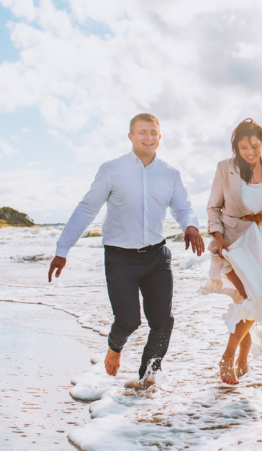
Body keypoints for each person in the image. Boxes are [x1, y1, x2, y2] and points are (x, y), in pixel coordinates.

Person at [47, 113, 204, 386]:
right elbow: (87, 209)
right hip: (120, 258)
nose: (149, 137)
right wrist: (63, 250)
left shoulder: (170, 174)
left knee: (163, 322)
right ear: (131, 137)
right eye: (142, 132)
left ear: (160, 137)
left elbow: (183, 208)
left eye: (154, 132)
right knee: (129, 321)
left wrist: (190, 226)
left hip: (157, 256)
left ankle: (147, 377)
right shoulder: (111, 170)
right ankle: (115, 347)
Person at [201, 118, 262, 385]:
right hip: (232, 242)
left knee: (257, 298)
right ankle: (228, 357)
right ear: (236, 147)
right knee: (250, 297)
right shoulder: (224, 169)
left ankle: (244, 350)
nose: (250, 151)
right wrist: (218, 238)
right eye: (243, 147)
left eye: (254, 145)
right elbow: (213, 207)